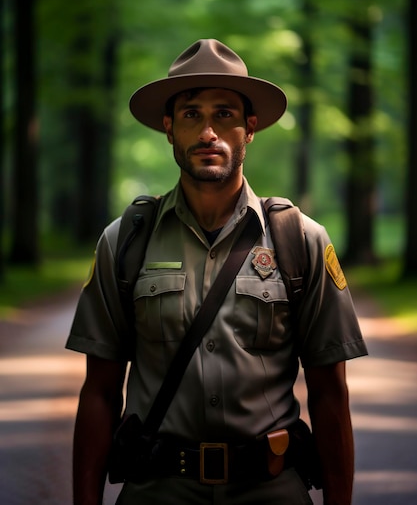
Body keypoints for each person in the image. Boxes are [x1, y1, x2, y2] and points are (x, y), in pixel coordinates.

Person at [66, 38, 368, 505]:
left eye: (224, 115)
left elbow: (330, 396)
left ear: (250, 129)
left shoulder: (299, 240)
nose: (209, 132)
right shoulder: (124, 241)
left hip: (271, 491)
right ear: (169, 129)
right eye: (191, 115)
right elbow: (100, 393)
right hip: (156, 492)